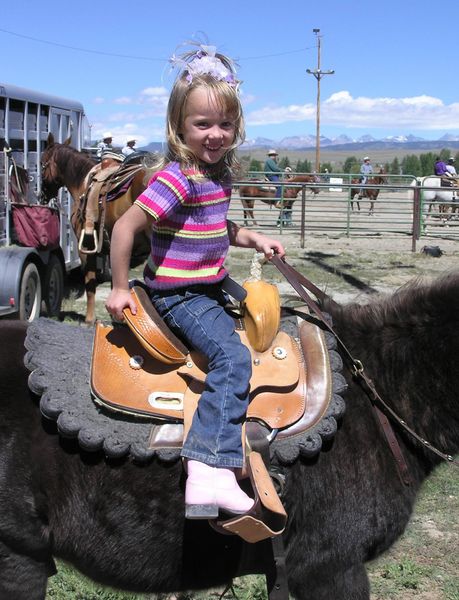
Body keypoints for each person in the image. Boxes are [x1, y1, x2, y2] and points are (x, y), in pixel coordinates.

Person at [105, 43, 285, 520]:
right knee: (232, 357)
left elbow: (214, 228)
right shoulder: (178, 177)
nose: (215, 134)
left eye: (224, 124)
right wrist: (120, 287)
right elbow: (126, 227)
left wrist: (254, 237)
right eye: (202, 124)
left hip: (208, 286)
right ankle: (209, 467)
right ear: (179, 126)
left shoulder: (214, 178)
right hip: (179, 293)